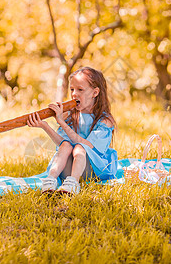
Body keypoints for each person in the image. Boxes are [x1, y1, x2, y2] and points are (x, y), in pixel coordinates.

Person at [27, 67, 118, 195]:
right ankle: (50, 179)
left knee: (80, 147)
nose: (74, 94)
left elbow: (88, 146)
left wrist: (61, 123)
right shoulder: (70, 115)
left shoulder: (105, 121)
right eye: (72, 89)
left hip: (92, 171)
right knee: (65, 145)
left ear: (95, 93)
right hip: (67, 169)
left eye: (80, 89)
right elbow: (61, 142)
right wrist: (44, 126)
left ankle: (74, 184)